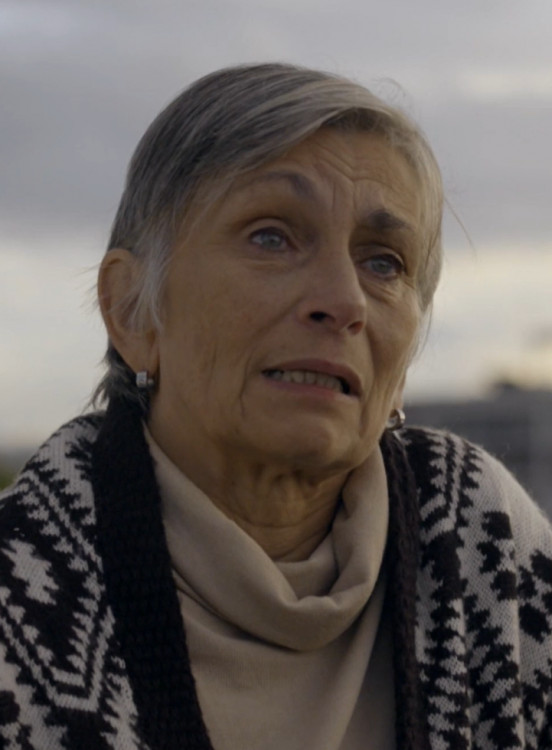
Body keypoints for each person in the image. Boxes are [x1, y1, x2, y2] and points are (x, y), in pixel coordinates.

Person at [0, 63, 551, 750]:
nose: (344, 302)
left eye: (383, 263)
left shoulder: (481, 542)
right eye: (271, 237)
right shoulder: (22, 591)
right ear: (132, 310)